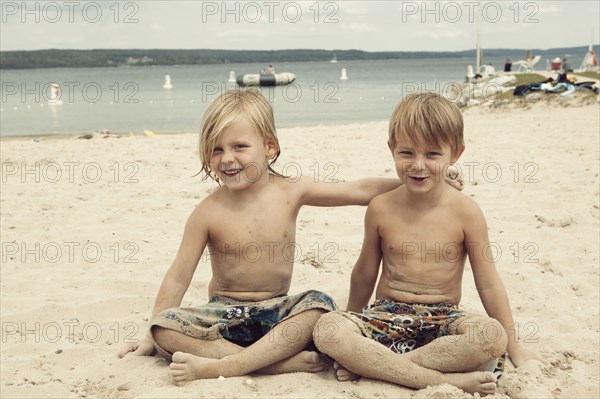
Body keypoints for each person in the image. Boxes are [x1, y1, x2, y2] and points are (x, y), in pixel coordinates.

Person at [117, 88, 465, 384]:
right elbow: (179, 275)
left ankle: (234, 364)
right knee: (165, 330)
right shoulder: (207, 211)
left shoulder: (290, 191)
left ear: (269, 147)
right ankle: (274, 365)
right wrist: (150, 331)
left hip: (279, 315)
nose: (227, 159)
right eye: (216, 149)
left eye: (239, 146)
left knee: (319, 307)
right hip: (225, 316)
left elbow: (358, 189)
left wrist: (418, 182)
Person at [313, 93, 543, 395]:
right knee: (328, 329)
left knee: (490, 335)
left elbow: (488, 283)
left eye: (432, 155)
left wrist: (514, 345)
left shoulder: (466, 212)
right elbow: (365, 272)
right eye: (407, 153)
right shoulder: (380, 208)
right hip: (385, 317)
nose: (418, 165)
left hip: (443, 323)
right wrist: (354, 317)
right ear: (391, 149)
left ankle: (388, 369)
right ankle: (435, 378)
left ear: (455, 154)